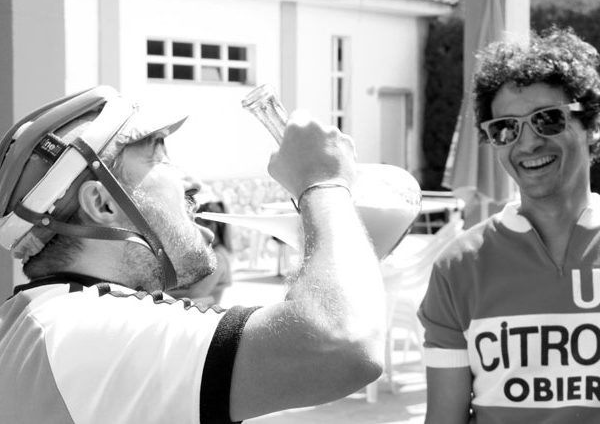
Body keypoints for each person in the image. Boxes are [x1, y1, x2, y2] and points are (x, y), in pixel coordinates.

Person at [0, 85, 386, 424]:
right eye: (160, 157)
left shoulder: (32, 323)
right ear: (103, 205)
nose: (192, 185)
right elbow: (341, 342)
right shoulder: (92, 327)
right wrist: (323, 183)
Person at [418, 27, 600, 423]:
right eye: (505, 128)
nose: (528, 143)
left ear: (591, 125)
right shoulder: (458, 268)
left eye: (547, 119)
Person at [170, 200, 233, 307]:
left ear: (211, 227)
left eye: (195, 225)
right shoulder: (212, 254)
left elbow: (194, 297)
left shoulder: (217, 258)